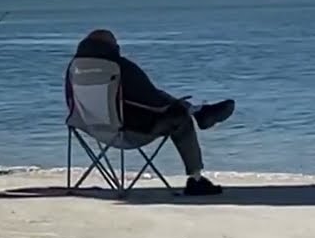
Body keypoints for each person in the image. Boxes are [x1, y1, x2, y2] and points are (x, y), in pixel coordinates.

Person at [66, 29, 235, 196]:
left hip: (92, 130)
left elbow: (71, 102)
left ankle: (198, 112)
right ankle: (196, 178)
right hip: (130, 131)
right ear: (113, 47)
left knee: (162, 100)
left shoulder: (74, 69)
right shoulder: (121, 67)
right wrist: (177, 105)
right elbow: (154, 102)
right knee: (180, 118)